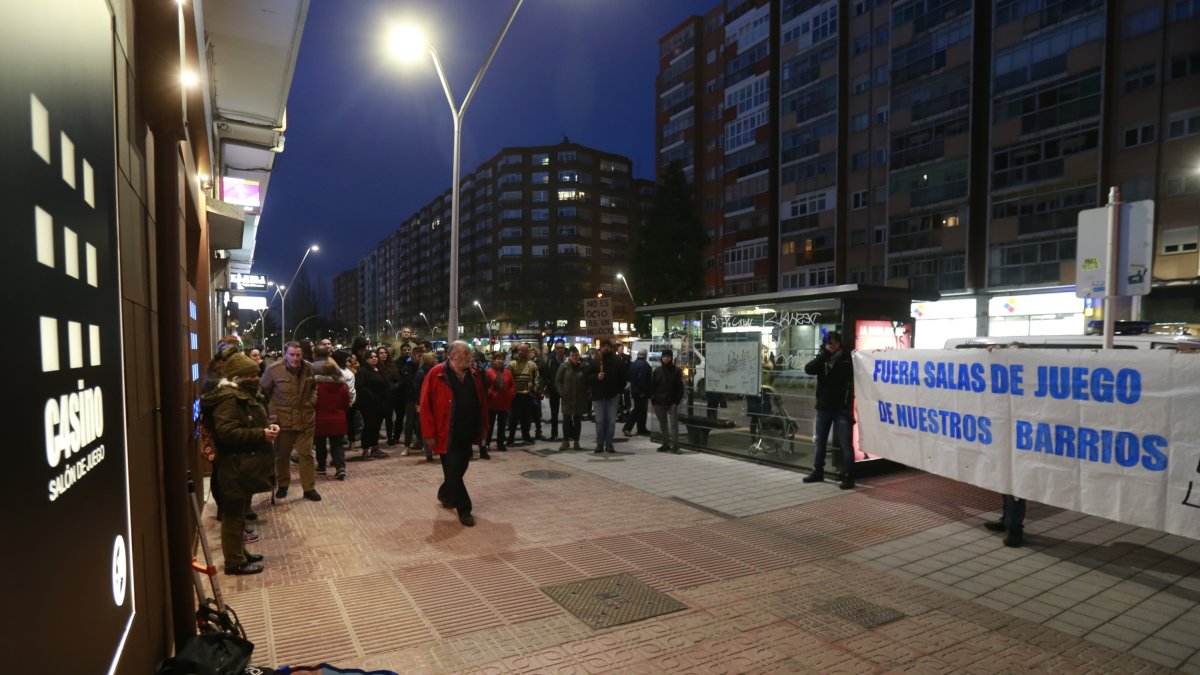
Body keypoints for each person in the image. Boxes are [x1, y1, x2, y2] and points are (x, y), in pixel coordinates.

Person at [203, 352, 277, 574]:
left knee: (239, 515)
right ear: (237, 378)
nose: (256, 378)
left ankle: (240, 553)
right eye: (251, 375)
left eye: (256, 373)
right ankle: (234, 562)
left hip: (243, 465)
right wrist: (261, 434)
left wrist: (266, 429)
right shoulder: (228, 398)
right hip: (234, 466)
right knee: (233, 516)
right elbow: (227, 432)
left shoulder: (242, 394)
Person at [420, 340, 489, 527]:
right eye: (465, 354)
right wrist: (428, 433)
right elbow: (425, 406)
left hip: (467, 431)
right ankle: (464, 509)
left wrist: (483, 428)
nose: (470, 357)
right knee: (452, 470)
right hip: (445, 432)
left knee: (460, 467)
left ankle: (445, 493)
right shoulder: (437, 374)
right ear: (452, 356)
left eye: (470, 354)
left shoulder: (474, 374)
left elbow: (482, 402)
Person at [261, 341, 321, 501]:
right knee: (282, 455)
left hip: (306, 419)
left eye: (298, 355)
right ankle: (283, 485)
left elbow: (314, 387)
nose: (295, 358)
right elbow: (262, 394)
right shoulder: (273, 370)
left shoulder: (309, 368)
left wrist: (312, 401)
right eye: (292, 354)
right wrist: (272, 414)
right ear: (285, 354)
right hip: (283, 421)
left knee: (307, 454)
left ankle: (309, 488)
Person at [802, 331, 856, 489]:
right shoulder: (823, 359)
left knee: (846, 444)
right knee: (820, 442)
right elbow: (808, 369)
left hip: (841, 408)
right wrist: (823, 355)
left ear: (839, 343)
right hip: (824, 408)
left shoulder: (848, 359)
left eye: (832, 342)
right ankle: (818, 471)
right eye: (827, 343)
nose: (830, 345)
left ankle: (848, 475)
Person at [587, 338, 628, 453]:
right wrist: (596, 377)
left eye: (607, 346)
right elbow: (588, 377)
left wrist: (619, 391)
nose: (605, 348)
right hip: (598, 396)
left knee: (611, 421)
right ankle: (600, 443)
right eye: (603, 346)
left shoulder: (617, 361)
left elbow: (623, 377)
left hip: (612, 396)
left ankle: (609, 443)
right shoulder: (595, 361)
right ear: (601, 348)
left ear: (611, 348)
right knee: (599, 421)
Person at [314, 359, 350, 480]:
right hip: (338, 419)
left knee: (320, 445)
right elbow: (346, 403)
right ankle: (340, 467)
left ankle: (322, 466)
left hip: (320, 419)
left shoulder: (318, 387)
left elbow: (314, 403)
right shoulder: (343, 386)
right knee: (338, 445)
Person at [353, 348, 389, 460]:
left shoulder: (379, 369)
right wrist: (372, 395)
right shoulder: (363, 371)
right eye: (371, 357)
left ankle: (375, 448)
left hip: (380, 403)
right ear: (366, 359)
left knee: (376, 426)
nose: (374, 358)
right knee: (369, 426)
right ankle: (365, 449)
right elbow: (360, 386)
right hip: (368, 404)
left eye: (375, 357)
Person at [650, 349, 684, 454]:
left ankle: (675, 445)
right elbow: (652, 386)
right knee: (663, 424)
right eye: (664, 356)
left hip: (672, 402)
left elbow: (680, 388)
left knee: (674, 424)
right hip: (659, 402)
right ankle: (666, 444)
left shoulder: (677, 371)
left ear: (671, 358)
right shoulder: (657, 371)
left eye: (668, 356)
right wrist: (653, 400)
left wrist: (676, 402)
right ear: (661, 357)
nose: (666, 358)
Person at [555, 347, 588, 451]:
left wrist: (588, 393)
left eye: (577, 355)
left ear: (579, 356)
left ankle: (576, 442)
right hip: (567, 398)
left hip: (579, 398)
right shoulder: (564, 366)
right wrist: (562, 392)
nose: (575, 357)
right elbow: (558, 381)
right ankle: (565, 441)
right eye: (572, 355)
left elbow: (589, 381)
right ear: (569, 356)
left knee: (577, 420)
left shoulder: (584, 366)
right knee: (566, 420)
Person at [506, 343, 540, 446]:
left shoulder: (532, 365)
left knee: (526, 418)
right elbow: (508, 379)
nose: (521, 352)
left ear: (527, 351)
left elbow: (537, 378)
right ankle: (511, 438)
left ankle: (526, 436)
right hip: (515, 396)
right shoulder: (512, 364)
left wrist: (534, 390)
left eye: (524, 350)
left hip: (527, 395)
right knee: (513, 418)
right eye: (519, 350)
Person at [482, 351, 515, 458]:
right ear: (493, 360)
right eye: (498, 359)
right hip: (492, 402)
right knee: (490, 425)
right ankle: (487, 443)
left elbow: (512, 385)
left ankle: (500, 443)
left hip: (504, 402)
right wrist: (492, 393)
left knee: (502, 425)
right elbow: (485, 387)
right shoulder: (489, 372)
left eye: (501, 359)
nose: (500, 361)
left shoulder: (507, 372)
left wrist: (511, 393)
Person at [411, 350, 436, 460]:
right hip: (425, 402)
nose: (436, 360)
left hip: (433, 402)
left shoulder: (435, 371)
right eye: (434, 358)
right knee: (427, 427)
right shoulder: (422, 372)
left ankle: (431, 450)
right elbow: (417, 389)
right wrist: (418, 404)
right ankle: (428, 452)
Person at [623, 349, 652, 436]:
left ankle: (641, 428)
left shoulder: (634, 364)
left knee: (641, 410)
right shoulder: (643, 365)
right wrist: (643, 391)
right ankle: (627, 428)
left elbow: (629, 376)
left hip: (635, 390)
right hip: (641, 392)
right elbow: (642, 379)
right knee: (639, 410)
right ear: (645, 355)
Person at [542, 339, 567, 441]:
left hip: (566, 390)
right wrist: (549, 385)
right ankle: (554, 434)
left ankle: (568, 434)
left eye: (562, 348)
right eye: (558, 348)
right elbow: (545, 374)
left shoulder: (567, 360)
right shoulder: (551, 360)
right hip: (554, 390)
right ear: (555, 349)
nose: (560, 350)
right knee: (554, 413)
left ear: (564, 348)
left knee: (567, 413)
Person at [377, 346, 400, 447]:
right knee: (378, 419)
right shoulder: (376, 367)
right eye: (381, 353)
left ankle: (390, 438)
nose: (384, 354)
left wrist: (393, 387)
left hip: (390, 396)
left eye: (385, 353)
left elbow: (398, 380)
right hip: (379, 397)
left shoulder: (392, 365)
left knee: (389, 419)